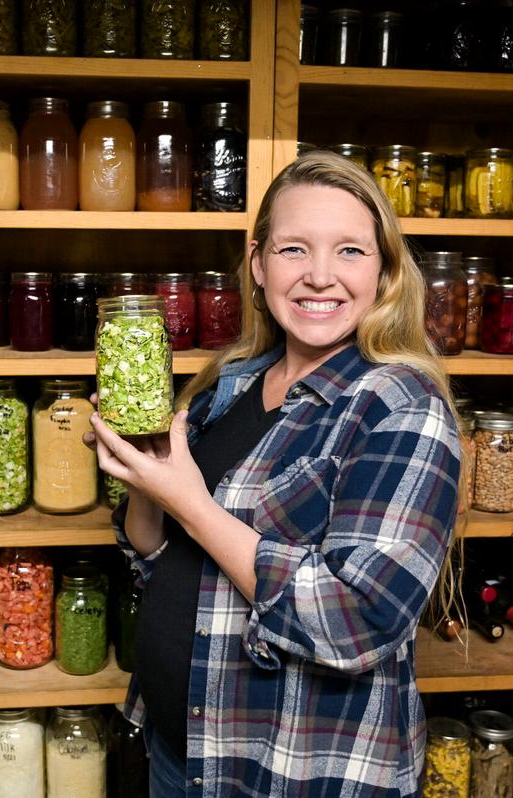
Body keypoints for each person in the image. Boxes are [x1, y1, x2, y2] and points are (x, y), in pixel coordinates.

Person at [88, 151, 461, 797]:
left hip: (291, 774)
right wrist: (143, 480)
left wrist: (194, 505)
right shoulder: (232, 384)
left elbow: (361, 619)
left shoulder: (401, 408)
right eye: (294, 249)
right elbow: (162, 556)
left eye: (350, 251)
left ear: (385, 271)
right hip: (180, 752)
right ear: (259, 265)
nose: (320, 276)